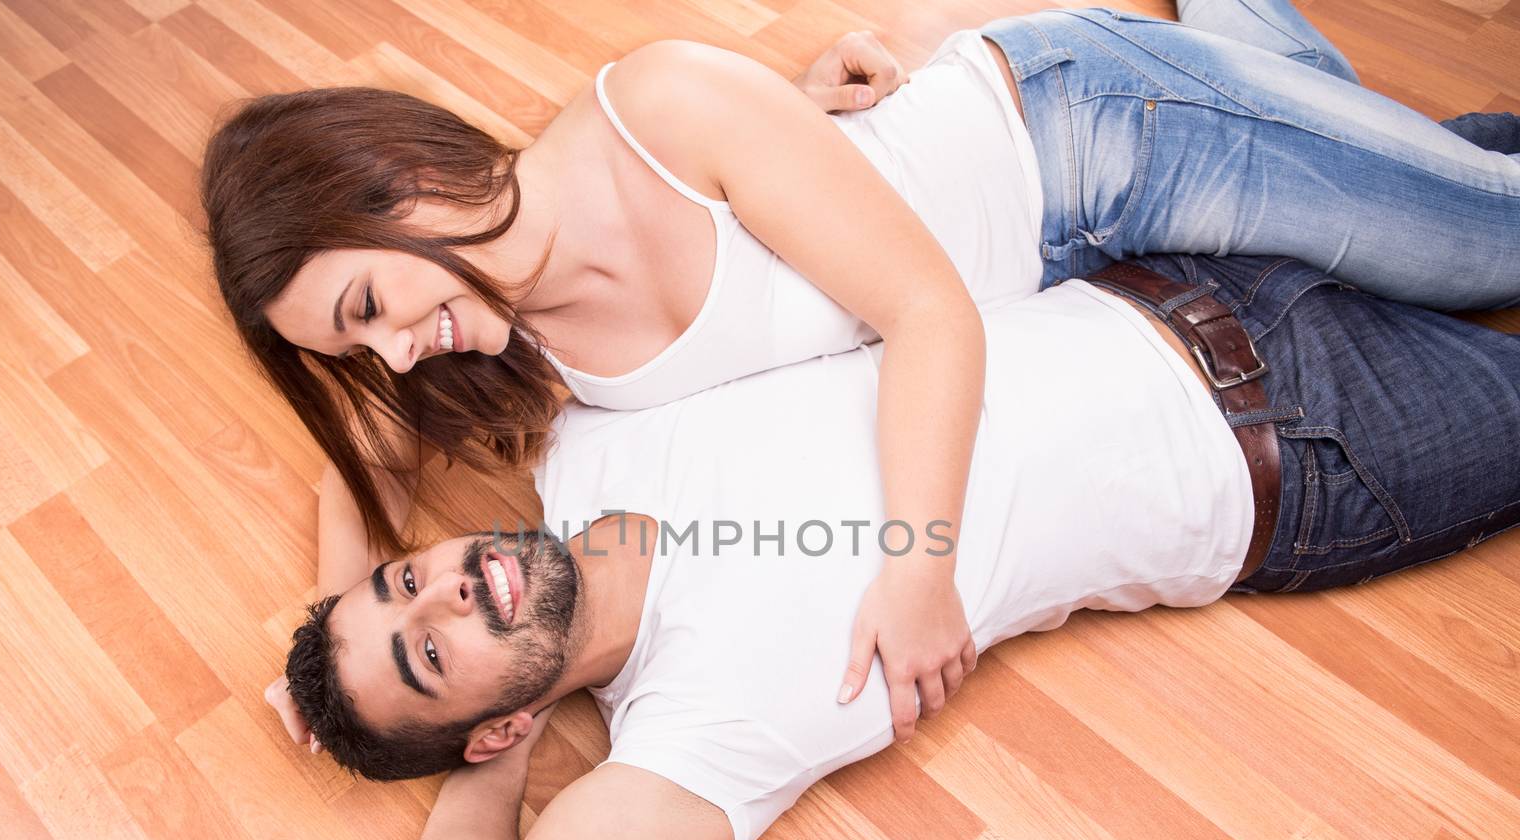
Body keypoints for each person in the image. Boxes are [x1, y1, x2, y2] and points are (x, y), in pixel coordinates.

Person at [271, 244, 1520, 840]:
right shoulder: (696, 736)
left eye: (406, 581)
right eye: (429, 650)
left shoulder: (577, 436)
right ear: (492, 722)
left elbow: (360, 458)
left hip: (1168, 270)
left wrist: (337, 639)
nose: (446, 589)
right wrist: (498, 752)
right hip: (1310, 448)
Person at [202, 0, 1520, 731]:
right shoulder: (500, 343)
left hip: (1100, 135)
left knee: (1492, 242)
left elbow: (932, 317)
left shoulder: (660, 106)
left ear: (406, 181)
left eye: (371, 301)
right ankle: (1280, 67)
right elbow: (359, 469)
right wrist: (333, 668)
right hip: (1086, 278)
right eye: (353, 346)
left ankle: (1219, 49)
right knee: (1422, 173)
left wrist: (917, 566)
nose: (394, 349)